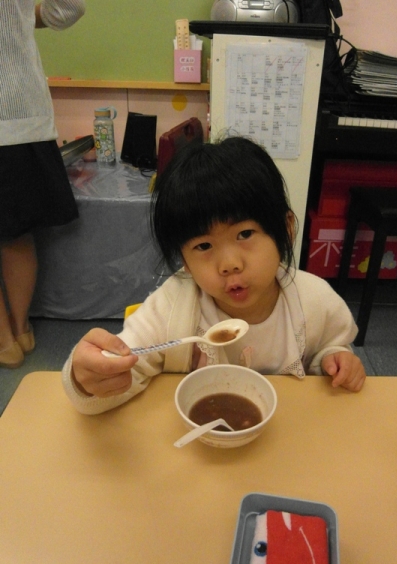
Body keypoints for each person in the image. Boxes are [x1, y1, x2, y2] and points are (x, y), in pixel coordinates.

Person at [63, 136, 366, 414]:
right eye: (204, 246)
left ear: (285, 229)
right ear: (185, 261)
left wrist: (334, 359)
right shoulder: (172, 307)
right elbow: (120, 373)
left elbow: (331, 348)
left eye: (245, 234)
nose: (229, 264)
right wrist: (86, 380)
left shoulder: (315, 301)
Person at [0, 0, 85, 369]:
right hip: (22, 114)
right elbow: (69, 8)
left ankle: (3, 342)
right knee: (16, 235)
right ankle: (20, 330)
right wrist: (18, 17)